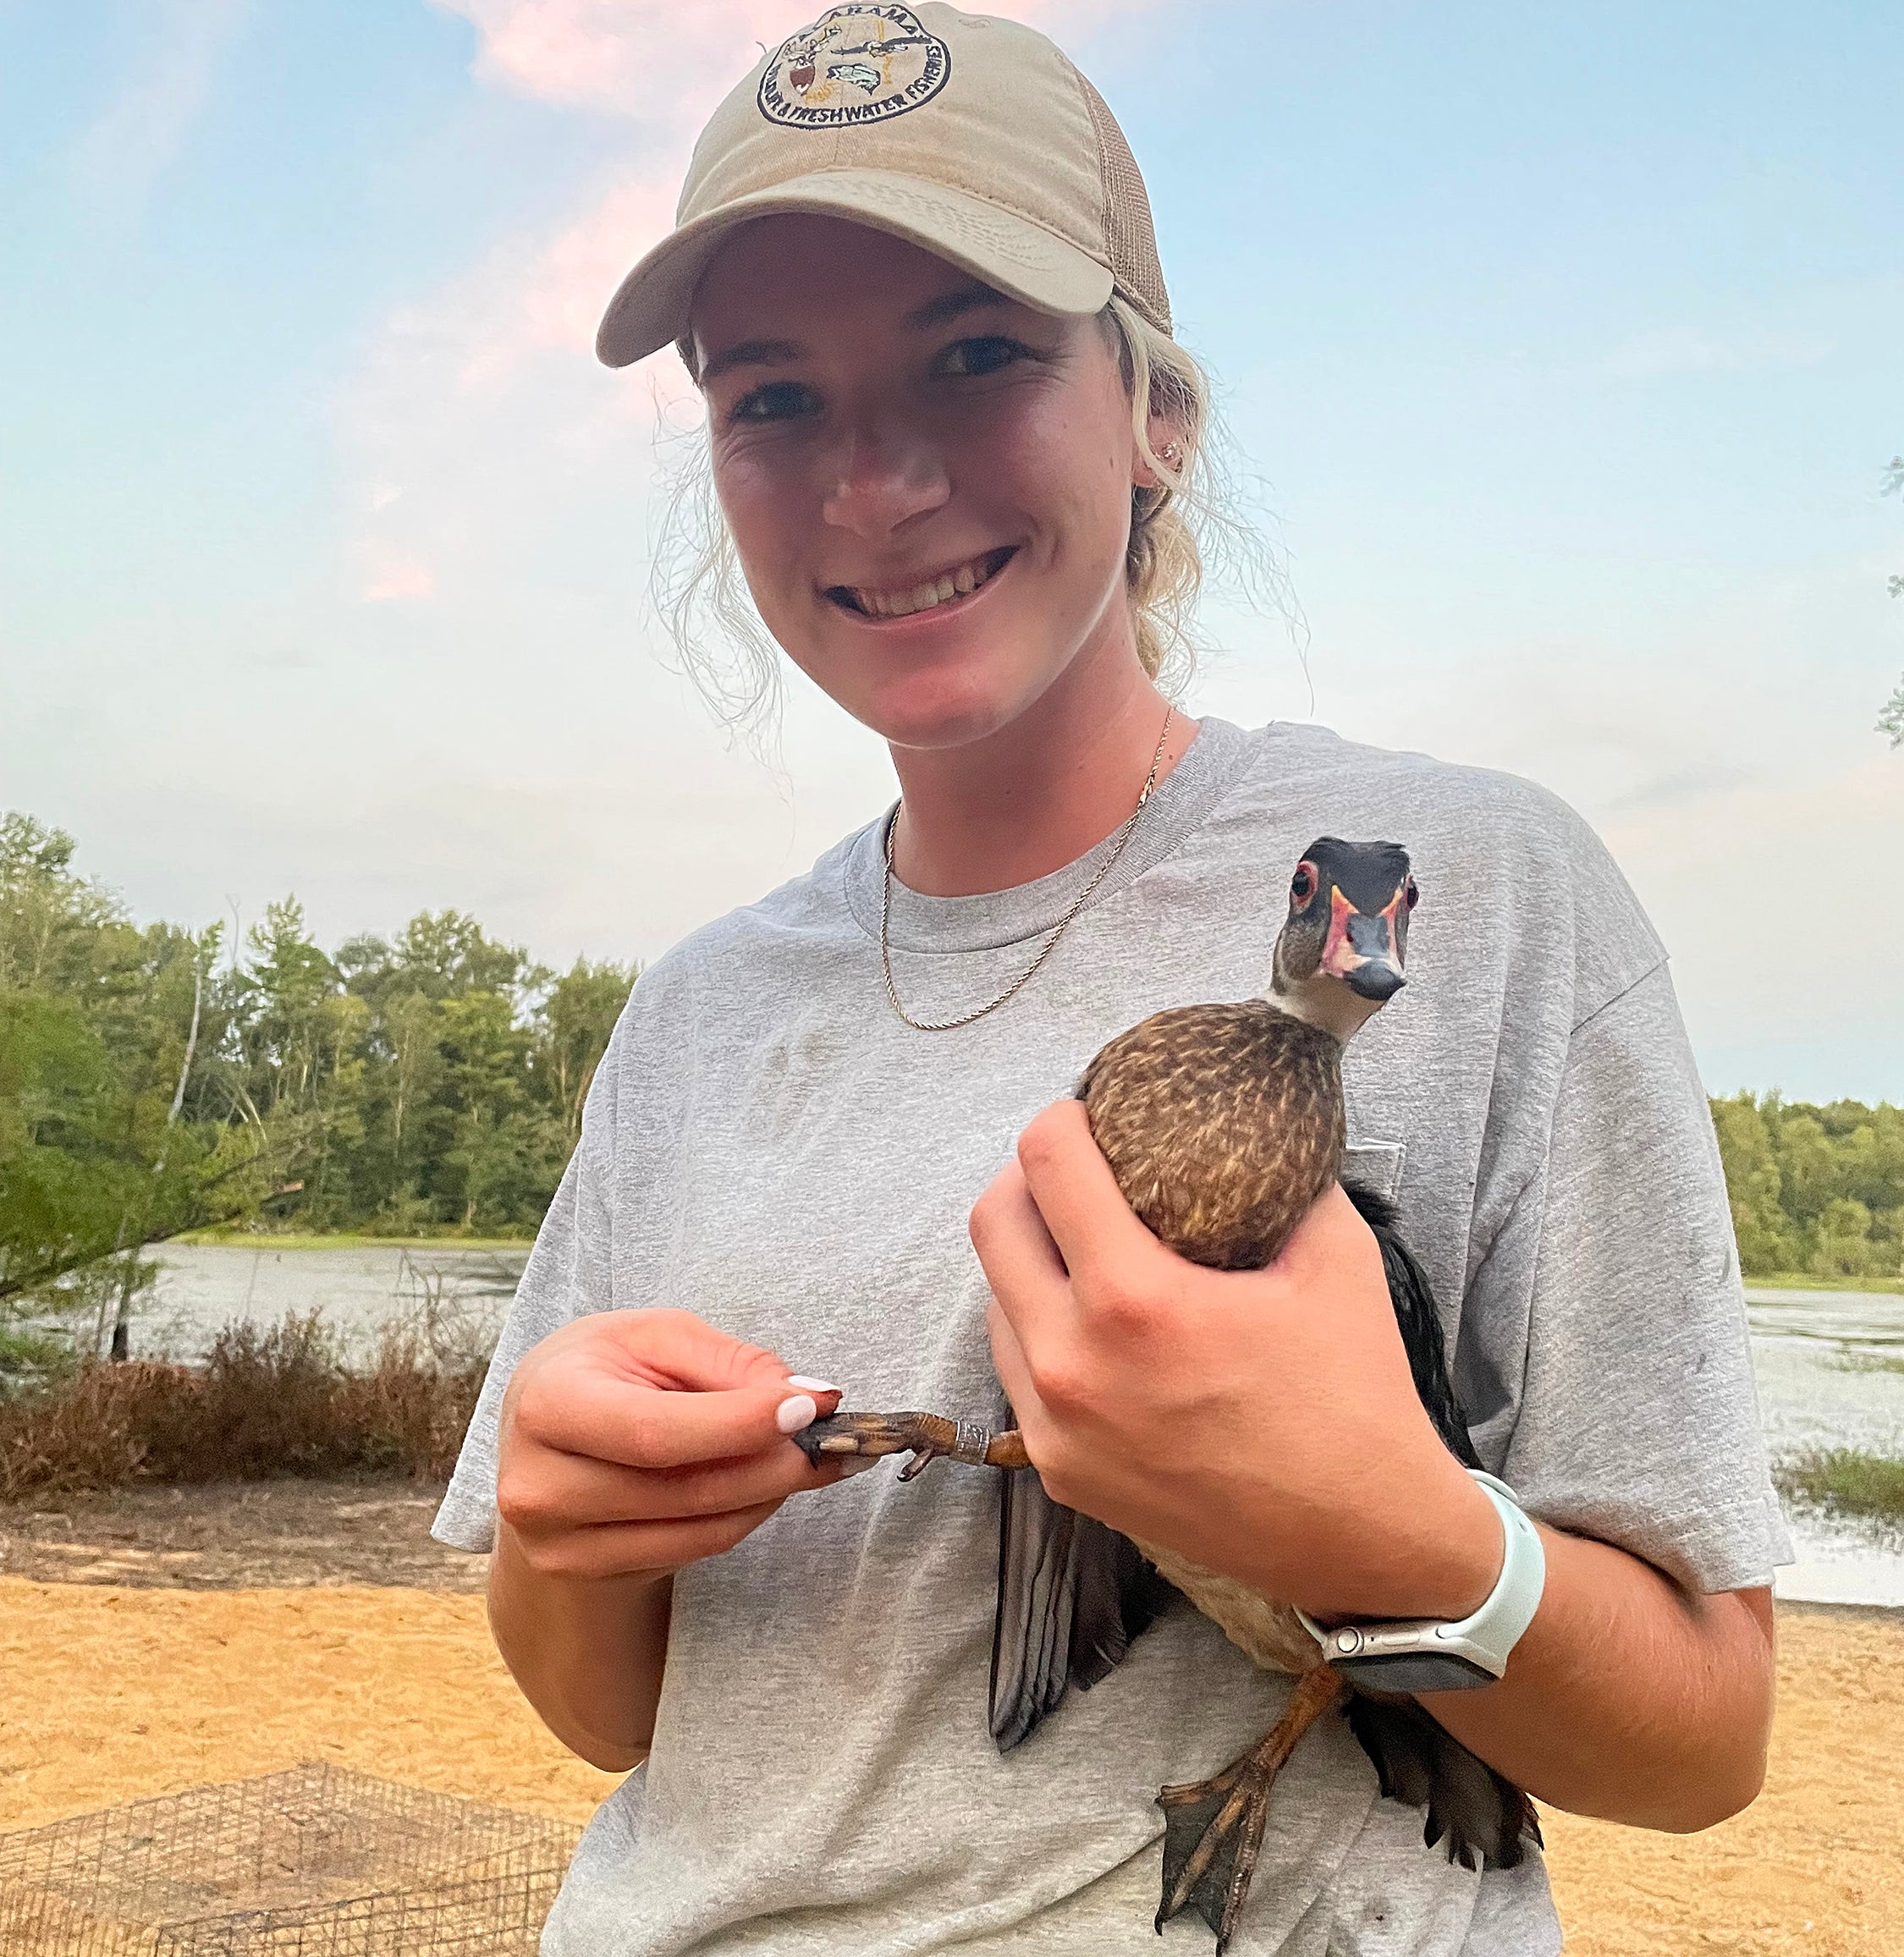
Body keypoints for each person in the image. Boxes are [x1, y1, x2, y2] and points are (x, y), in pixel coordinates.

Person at [433, 8, 1787, 1953]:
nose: (876, 482)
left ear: (1161, 411)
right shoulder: (703, 1010)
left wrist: (1395, 1533)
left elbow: (1705, 1740)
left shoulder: (1478, 881)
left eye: (976, 354)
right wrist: (566, 1532)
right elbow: (610, 1712)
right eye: (772, 398)